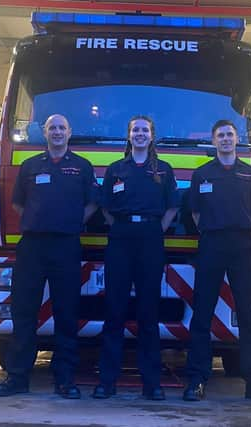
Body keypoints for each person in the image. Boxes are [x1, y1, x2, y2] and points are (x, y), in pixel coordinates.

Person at [0, 114, 99, 399]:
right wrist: (39, 222)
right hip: (33, 247)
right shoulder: (29, 166)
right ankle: (17, 377)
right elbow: (17, 204)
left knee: (66, 312)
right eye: (52, 128)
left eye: (62, 127)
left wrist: (72, 223)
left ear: (69, 132)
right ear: (45, 132)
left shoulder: (82, 167)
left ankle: (65, 379)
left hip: (66, 246)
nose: (57, 132)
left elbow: (92, 204)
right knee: (23, 312)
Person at [183, 119, 251, 405]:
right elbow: (197, 216)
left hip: (241, 248)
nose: (225, 139)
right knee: (202, 315)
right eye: (220, 135)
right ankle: (196, 380)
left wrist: (234, 232)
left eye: (229, 135)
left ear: (236, 140)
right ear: (213, 141)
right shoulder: (201, 175)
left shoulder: (250, 175)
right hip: (211, 245)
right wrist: (217, 231)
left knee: (249, 318)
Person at [92, 115, 179, 400]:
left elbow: (171, 208)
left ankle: (152, 383)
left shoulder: (163, 170)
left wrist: (156, 230)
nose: (140, 134)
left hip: (151, 240)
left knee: (148, 314)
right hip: (121, 239)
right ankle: (107, 381)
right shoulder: (116, 169)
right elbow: (104, 206)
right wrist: (121, 228)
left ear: (152, 136)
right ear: (129, 136)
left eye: (144, 130)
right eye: (135, 130)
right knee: (114, 312)